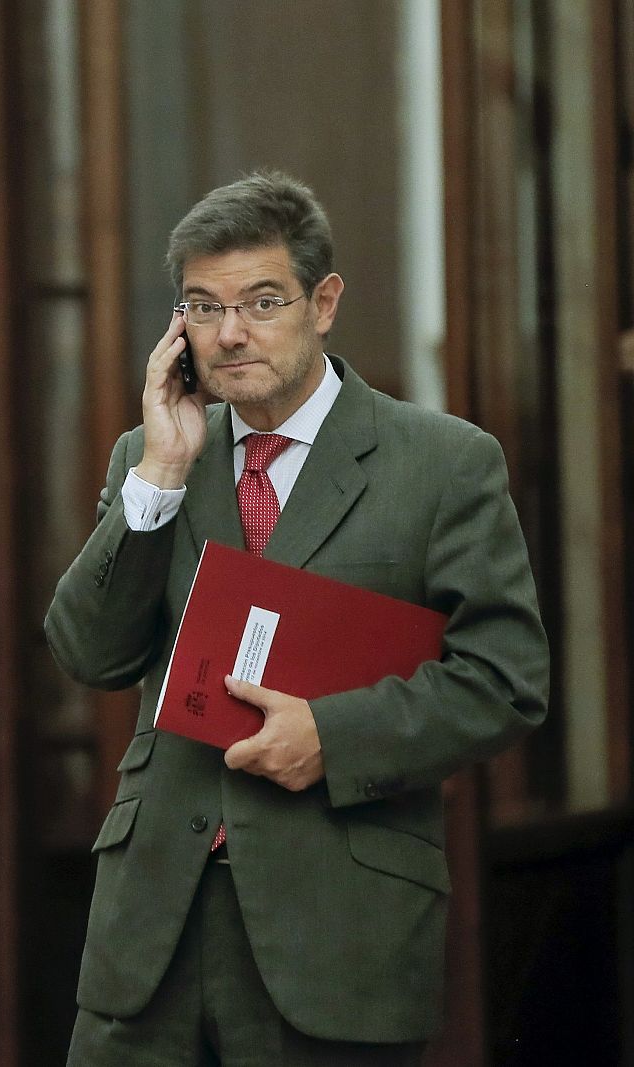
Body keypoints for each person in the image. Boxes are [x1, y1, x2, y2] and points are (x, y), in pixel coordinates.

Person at [45, 170, 549, 1066]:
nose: (229, 332)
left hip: (336, 935)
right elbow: (89, 650)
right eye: (202, 307)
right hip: (150, 939)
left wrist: (332, 733)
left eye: (260, 301)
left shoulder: (443, 464)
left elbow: (505, 682)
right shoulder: (154, 455)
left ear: (324, 302)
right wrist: (158, 479)